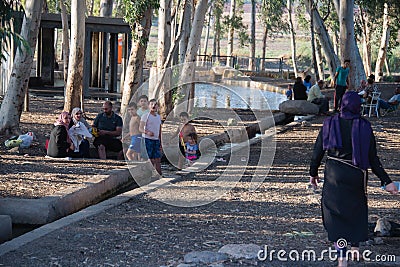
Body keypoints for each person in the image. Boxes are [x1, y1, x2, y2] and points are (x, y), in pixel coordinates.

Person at [309, 91, 398, 267]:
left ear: (341, 104)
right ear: (358, 106)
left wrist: (313, 173)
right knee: (356, 210)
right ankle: (355, 248)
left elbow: (317, 151)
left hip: (334, 171)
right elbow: (373, 158)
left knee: (335, 214)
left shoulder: (330, 123)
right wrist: (386, 181)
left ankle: (342, 258)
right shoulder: (364, 126)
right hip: (356, 173)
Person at [139, 99, 162, 174]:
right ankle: (147, 174)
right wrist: (147, 132)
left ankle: (159, 175)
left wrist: (160, 141)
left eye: (155, 104)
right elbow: (140, 128)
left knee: (158, 158)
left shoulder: (158, 117)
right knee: (149, 159)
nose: (153, 106)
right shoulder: (145, 116)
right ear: (149, 106)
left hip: (156, 140)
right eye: (151, 104)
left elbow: (159, 129)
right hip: (147, 139)